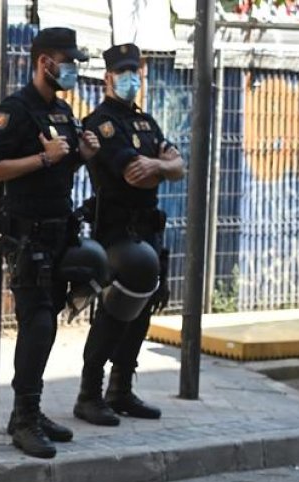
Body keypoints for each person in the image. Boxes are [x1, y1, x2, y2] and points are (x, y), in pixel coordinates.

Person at [0, 27, 100, 459]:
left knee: (48, 323)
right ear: (45, 62)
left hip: (59, 230)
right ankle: (23, 418)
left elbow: (64, 166)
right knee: (39, 323)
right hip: (26, 234)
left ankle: (32, 409)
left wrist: (85, 151)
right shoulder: (15, 111)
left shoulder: (63, 111)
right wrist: (44, 157)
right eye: (69, 62)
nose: (74, 70)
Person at [74, 43, 186, 426]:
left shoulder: (145, 122)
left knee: (141, 312)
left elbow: (179, 166)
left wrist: (159, 164)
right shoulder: (100, 124)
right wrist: (162, 165)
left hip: (147, 231)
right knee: (113, 312)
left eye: (133, 71)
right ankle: (89, 393)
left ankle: (120, 390)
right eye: (122, 73)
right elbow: (133, 173)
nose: (130, 79)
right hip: (116, 232)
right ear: (107, 78)